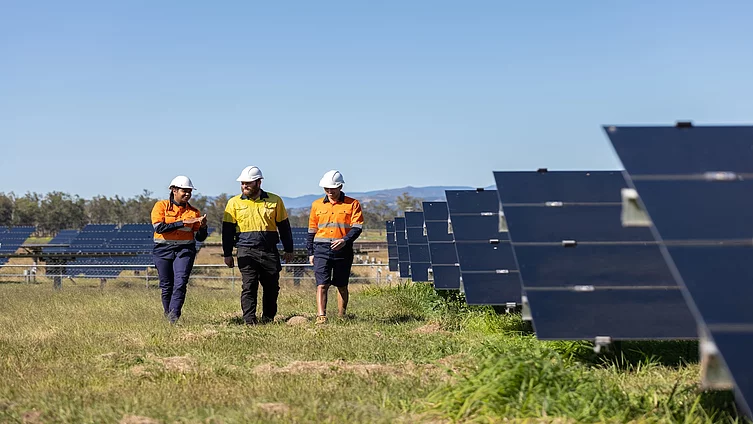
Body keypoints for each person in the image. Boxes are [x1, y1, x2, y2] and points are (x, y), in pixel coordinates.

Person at [222, 165, 294, 325]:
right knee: (249, 286)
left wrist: (289, 249)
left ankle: (268, 319)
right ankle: (249, 320)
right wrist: (227, 253)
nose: (244, 186)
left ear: (259, 183)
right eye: (242, 183)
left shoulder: (275, 201)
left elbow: (284, 227)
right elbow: (227, 232)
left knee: (272, 288)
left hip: (269, 251)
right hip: (245, 251)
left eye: (248, 183)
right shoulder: (233, 203)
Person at [306, 170, 364, 324]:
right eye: (326, 189)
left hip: (343, 250)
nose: (330, 192)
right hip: (321, 249)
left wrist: (345, 240)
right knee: (322, 283)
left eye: (333, 188)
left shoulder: (353, 204)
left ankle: (341, 315)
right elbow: (312, 229)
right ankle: (321, 316)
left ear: (340, 186)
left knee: (342, 284)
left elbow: (357, 227)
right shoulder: (316, 205)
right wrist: (310, 252)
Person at [151, 176, 208, 323]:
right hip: (163, 250)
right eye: (184, 191)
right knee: (166, 285)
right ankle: (167, 314)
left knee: (180, 283)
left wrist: (203, 227)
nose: (187, 194)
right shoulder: (161, 206)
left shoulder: (194, 212)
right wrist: (182, 222)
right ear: (174, 190)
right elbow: (160, 227)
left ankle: (173, 318)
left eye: (190, 191)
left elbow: (200, 237)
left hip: (184, 250)